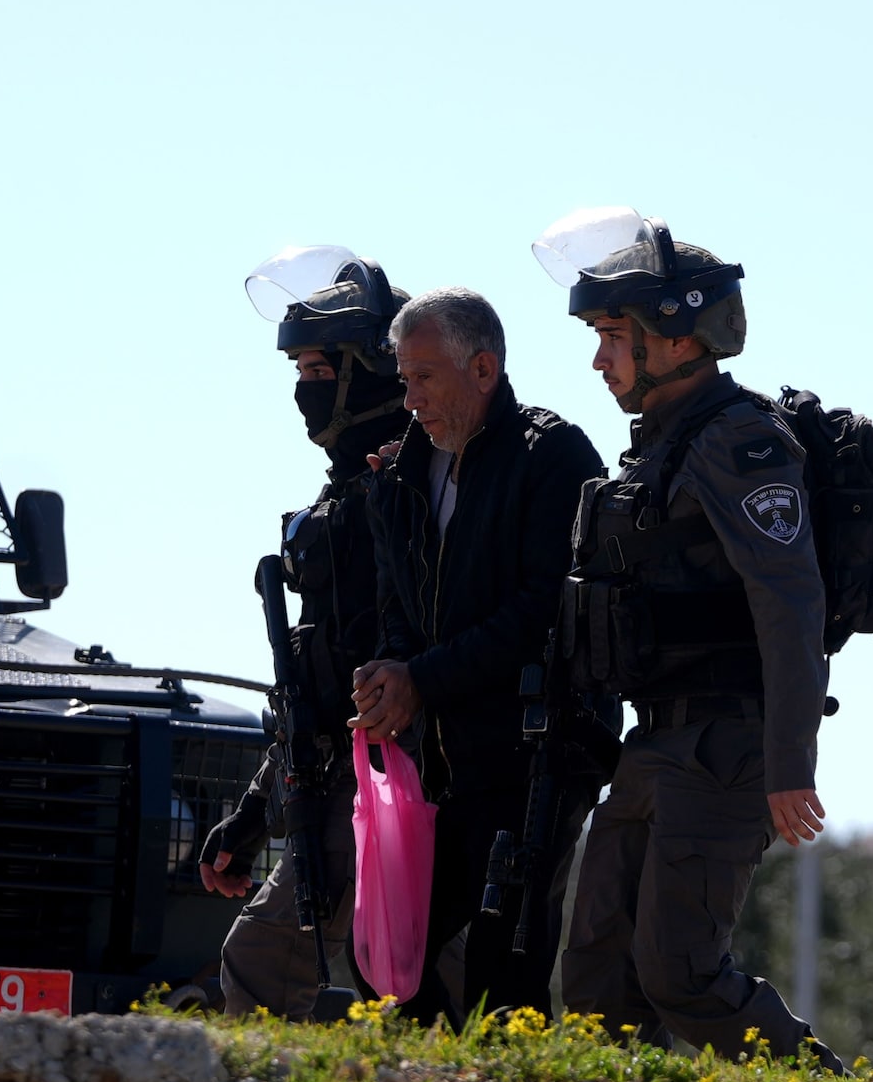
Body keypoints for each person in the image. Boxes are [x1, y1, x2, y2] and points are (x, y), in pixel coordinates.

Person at [533, 207, 847, 1069]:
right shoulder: (662, 446)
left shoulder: (739, 441)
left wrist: (790, 763)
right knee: (596, 972)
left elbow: (791, 602)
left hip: (726, 747)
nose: (599, 358)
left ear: (676, 340)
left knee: (681, 972)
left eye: (613, 336)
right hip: (658, 740)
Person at [350, 287, 605, 1021]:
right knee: (382, 956)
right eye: (404, 377)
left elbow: (536, 611)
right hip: (444, 771)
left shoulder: (553, 455)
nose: (410, 396)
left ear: (484, 368)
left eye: (424, 376)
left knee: (507, 981)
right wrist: (387, 680)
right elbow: (397, 608)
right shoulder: (400, 472)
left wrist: (420, 680)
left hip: (534, 759)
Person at [201, 248, 412, 1017]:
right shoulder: (346, 497)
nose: (303, 392)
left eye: (320, 372)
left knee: (277, 971)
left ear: (372, 371)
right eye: (299, 372)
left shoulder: (413, 495)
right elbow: (312, 682)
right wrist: (257, 811)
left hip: (396, 793)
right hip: (330, 791)